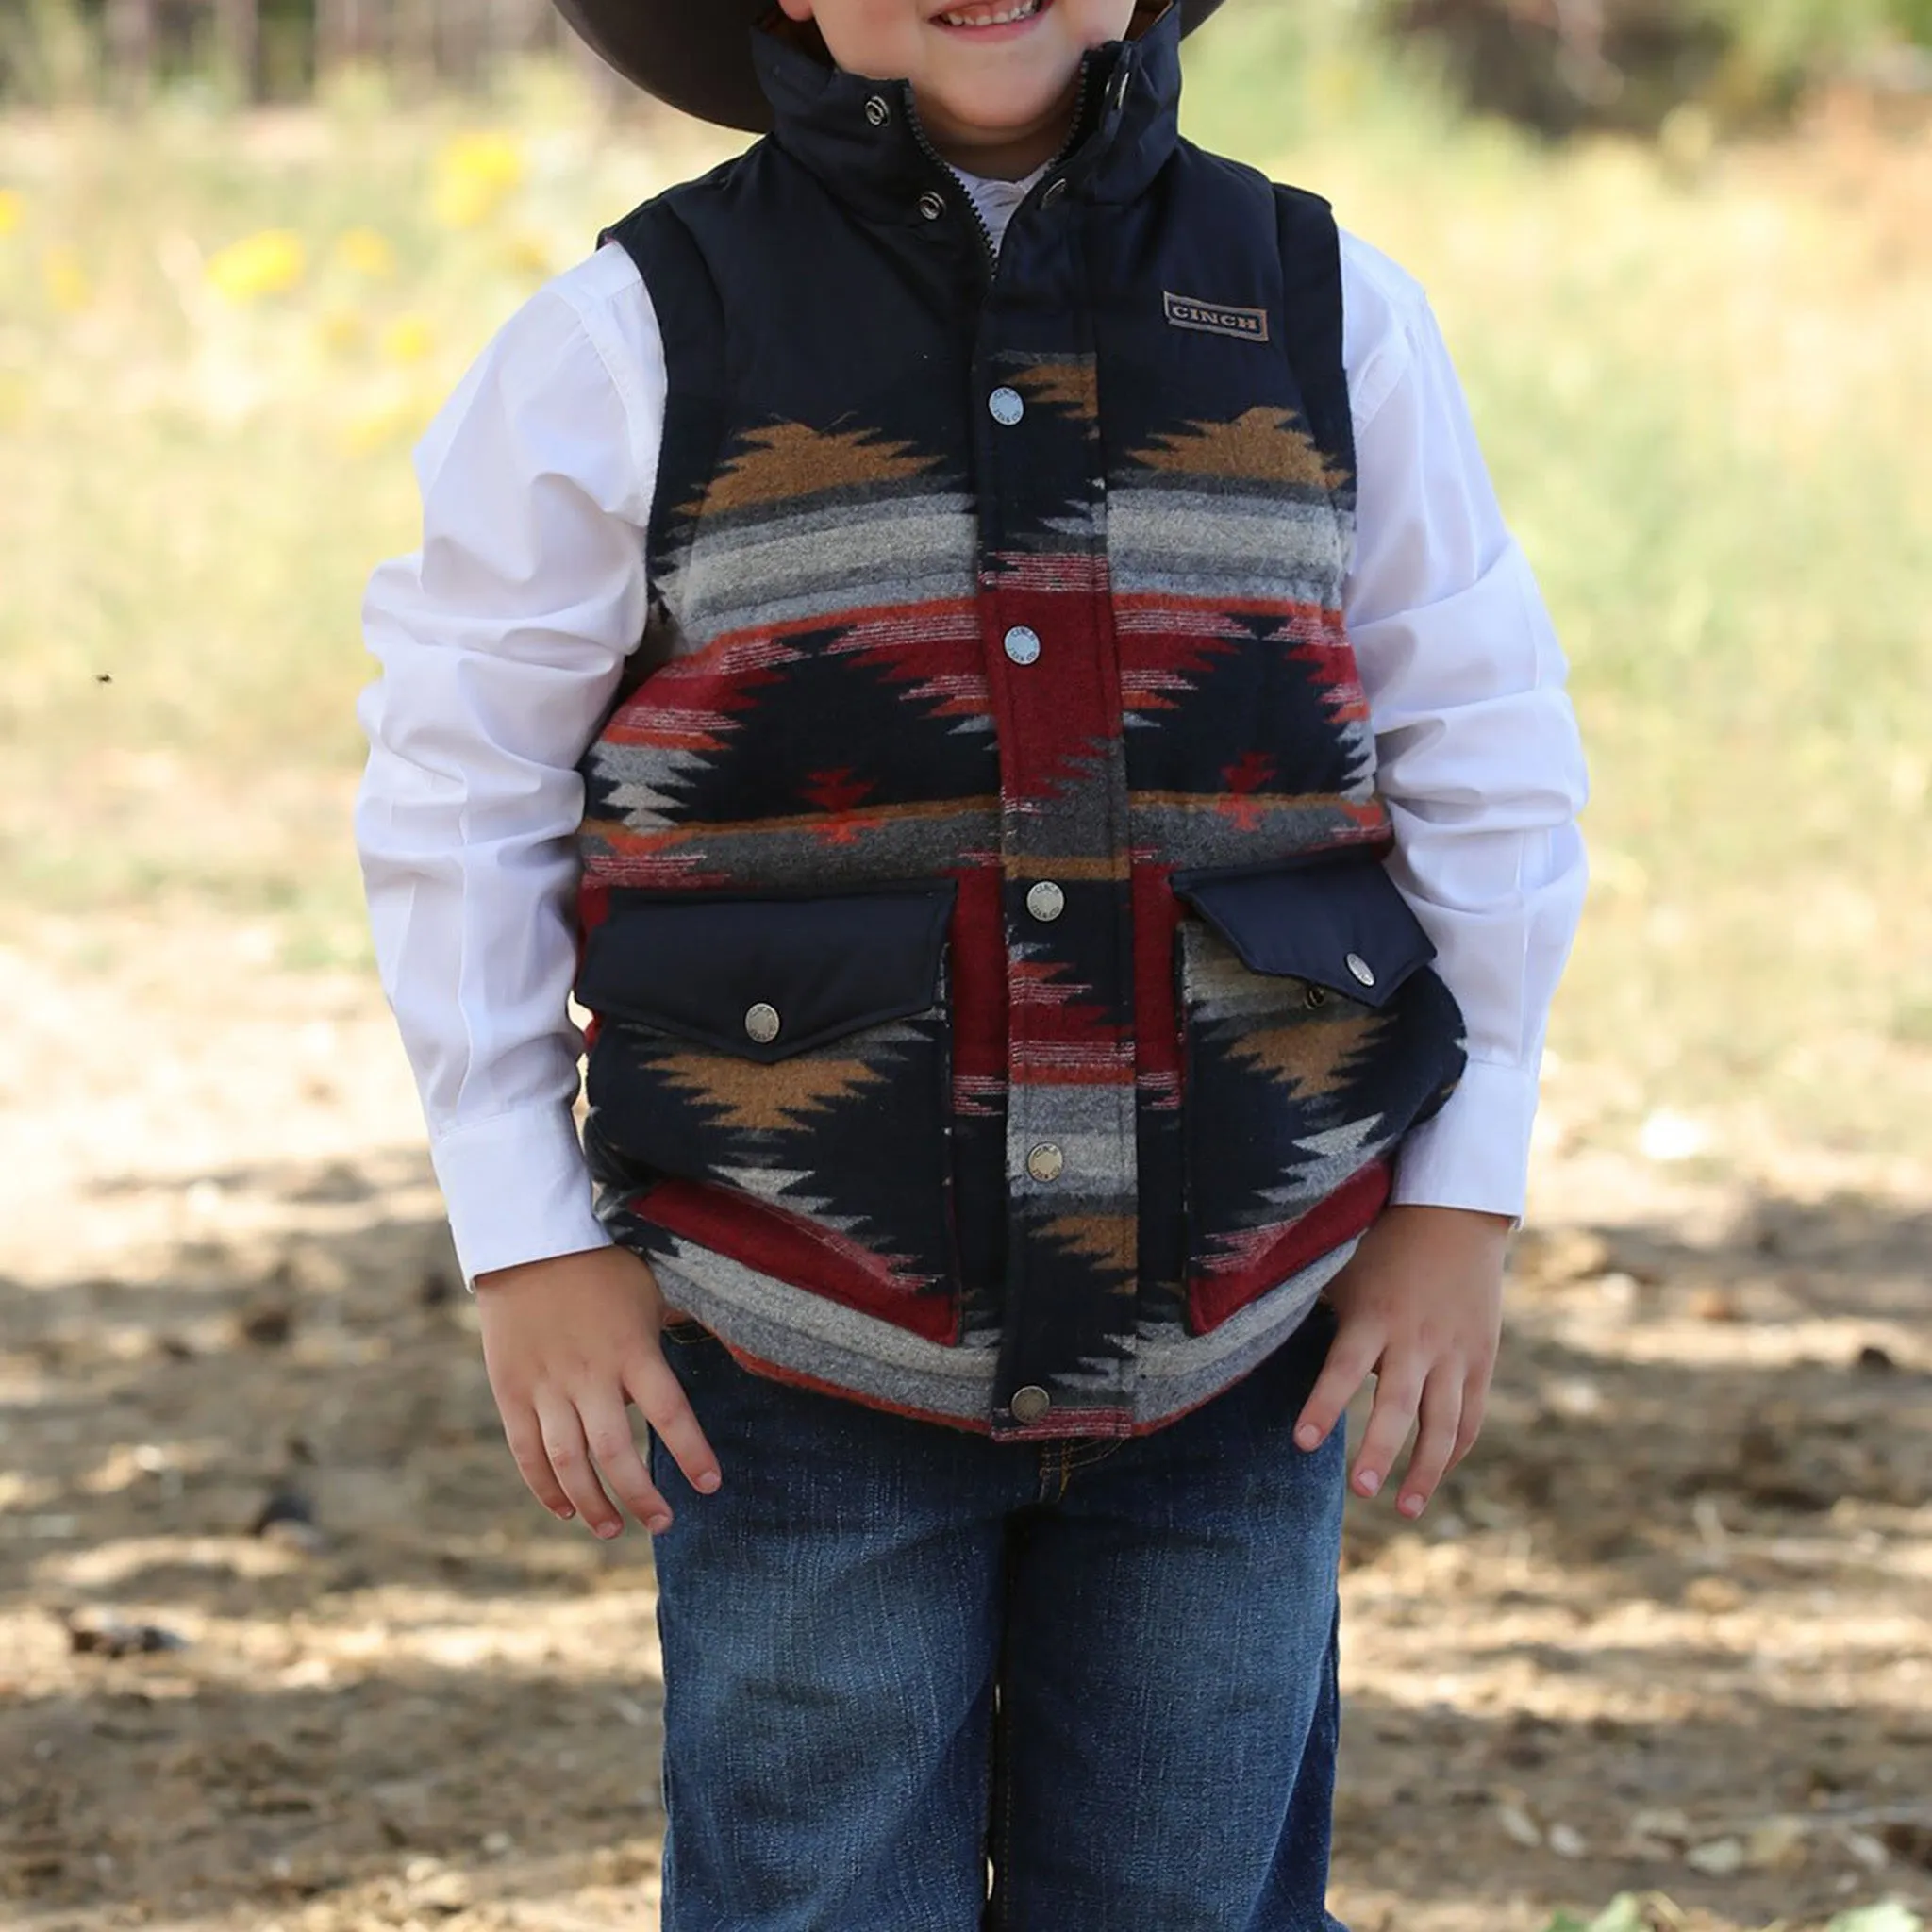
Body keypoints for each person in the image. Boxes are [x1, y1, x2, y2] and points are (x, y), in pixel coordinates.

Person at [354, 0, 1591, 1924]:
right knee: (819, 1893)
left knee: (1186, 1897)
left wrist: (1465, 1188)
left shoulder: (1320, 306)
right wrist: (528, 1236)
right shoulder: (635, 332)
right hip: (795, 1334)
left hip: (1245, 1329)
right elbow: (460, 790)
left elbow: (1484, 744)